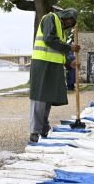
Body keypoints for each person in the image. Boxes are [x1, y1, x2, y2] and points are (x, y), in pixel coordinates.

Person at [29, 8, 80, 143]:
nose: (69, 23)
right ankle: (35, 131)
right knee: (39, 98)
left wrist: (70, 62)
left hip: (54, 66)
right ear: (65, 15)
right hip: (42, 64)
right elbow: (49, 39)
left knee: (48, 98)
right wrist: (69, 47)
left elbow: (59, 52)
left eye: (72, 22)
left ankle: (43, 126)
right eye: (70, 19)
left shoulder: (62, 30)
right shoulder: (50, 18)